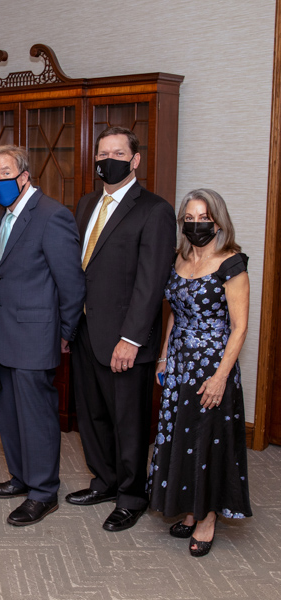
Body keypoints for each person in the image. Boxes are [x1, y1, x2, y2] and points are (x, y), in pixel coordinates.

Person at [68, 126, 177, 532]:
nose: (107, 159)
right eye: (102, 153)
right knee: (92, 414)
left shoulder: (155, 209)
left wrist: (131, 338)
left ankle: (132, 495)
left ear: (135, 160)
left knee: (127, 420)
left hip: (124, 338)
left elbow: (151, 283)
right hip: (84, 330)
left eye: (117, 152)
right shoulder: (85, 204)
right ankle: (105, 480)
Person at [0, 146, 86, 526]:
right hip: (6, 334)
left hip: (38, 335)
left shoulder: (52, 215)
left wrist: (65, 333)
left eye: (3, 172)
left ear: (24, 175)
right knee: (9, 413)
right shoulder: (3, 215)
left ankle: (43, 491)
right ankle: (21, 477)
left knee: (38, 417)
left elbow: (71, 283)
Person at [150, 188, 251, 557]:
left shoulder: (231, 263)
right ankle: (192, 509)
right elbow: (175, 311)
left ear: (218, 221)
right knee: (182, 435)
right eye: (189, 219)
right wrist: (163, 357)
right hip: (179, 363)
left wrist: (221, 376)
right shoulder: (178, 259)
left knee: (208, 439)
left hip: (212, 364)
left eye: (203, 218)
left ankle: (208, 518)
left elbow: (239, 327)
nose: (196, 225)